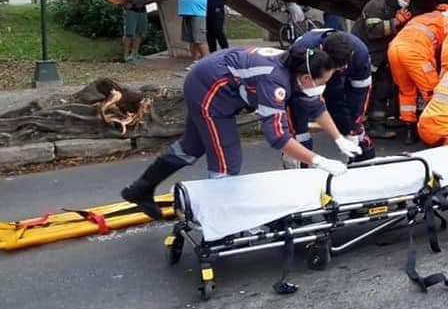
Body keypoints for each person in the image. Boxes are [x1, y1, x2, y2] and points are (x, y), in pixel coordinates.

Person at [120, 45, 362, 220]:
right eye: (322, 82)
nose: (323, 87)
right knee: (227, 160)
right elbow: (277, 136)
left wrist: (339, 138)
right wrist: (319, 161)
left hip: (210, 79)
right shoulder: (274, 82)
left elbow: (315, 105)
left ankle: (141, 189)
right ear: (307, 78)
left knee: (191, 147)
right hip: (210, 90)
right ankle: (224, 222)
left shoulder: (297, 68)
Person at [288, 29, 376, 163]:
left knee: (350, 125)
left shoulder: (360, 54)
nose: (340, 69)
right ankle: (299, 163)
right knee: (299, 131)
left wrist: (354, 127)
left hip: (336, 82)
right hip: (306, 83)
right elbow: (294, 97)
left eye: (342, 67)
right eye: (336, 67)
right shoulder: (302, 52)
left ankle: (364, 159)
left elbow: (360, 94)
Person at [352, 0, 416, 138]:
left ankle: (378, 125)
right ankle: (357, 125)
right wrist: (395, 22)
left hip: (382, 55)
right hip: (366, 52)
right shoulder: (377, 5)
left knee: (383, 87)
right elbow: (373, 31)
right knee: (365, 90)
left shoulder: (399, 7)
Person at [388, 4, 448, 145]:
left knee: (406, 92)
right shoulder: (446, 20)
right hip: (415, 52)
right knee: (432, 92)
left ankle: (409, 131)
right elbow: (446, 49)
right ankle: (437, 129)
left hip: (394, 49)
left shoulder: (421, 18)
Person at [178, 0, 208, 65]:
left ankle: (207, 63)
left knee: (199, 40)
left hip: (197, 12)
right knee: (191, 40)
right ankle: (195, 62)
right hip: (187, 12)